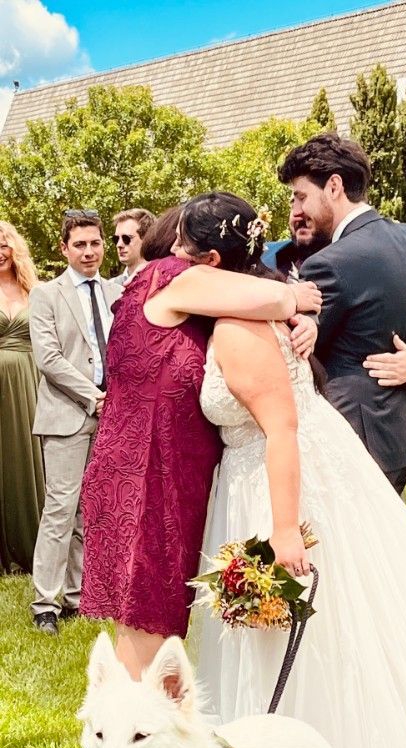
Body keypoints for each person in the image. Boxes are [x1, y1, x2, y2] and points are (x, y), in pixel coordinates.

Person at [176, 191, 406, 748]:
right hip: (295, 466)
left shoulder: (236, 326)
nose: (174, 260)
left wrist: (284, 532)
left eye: (183, 249)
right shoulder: (269, 296)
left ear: (207, 258)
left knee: (302, 628)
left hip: (278, 481)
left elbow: (281, 431)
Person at [79, 214, 321, 680]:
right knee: (145, 623)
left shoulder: (197, 302)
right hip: (144, 475)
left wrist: (304, 317)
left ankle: (147, 734)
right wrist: (297, 298)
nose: (178, 251)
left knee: (153, 626)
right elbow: (272, 294)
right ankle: (133, 738)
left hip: (164, 473)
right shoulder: (169, 275)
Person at [277, 133, 406, 494]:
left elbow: (300, 351)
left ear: (334, 187)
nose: (297, 208)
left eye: (301, 196)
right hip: (399, 436)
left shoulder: (328, 263)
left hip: (350, 436)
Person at [29, 209, 120, 635]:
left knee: (90, 510)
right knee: (60, 509)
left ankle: (77, 596)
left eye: (95, 243)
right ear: (64, 248)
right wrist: (94, 396)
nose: (89, 251)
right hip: (67, 414)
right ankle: (44, 602)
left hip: (109, 417)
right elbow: (48, 359)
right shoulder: (46, 294)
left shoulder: (114, 290)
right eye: (79, 244)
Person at [263, 210, 406, 393]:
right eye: (294, 201)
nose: (298, 212)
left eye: (306, 202)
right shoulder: (263, 256)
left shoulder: (369, 271)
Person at [0, 221, 44, 573]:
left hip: (30, 382)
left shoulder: (37, 291)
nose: (0, 253)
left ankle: (32, 546)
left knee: (28, 456)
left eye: (4, 245)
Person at [111, 207, 155, 285]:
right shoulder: (110, 287)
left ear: (146, 238)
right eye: (116, 239)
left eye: (126, 238)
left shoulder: (162, 282)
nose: (119, 244)